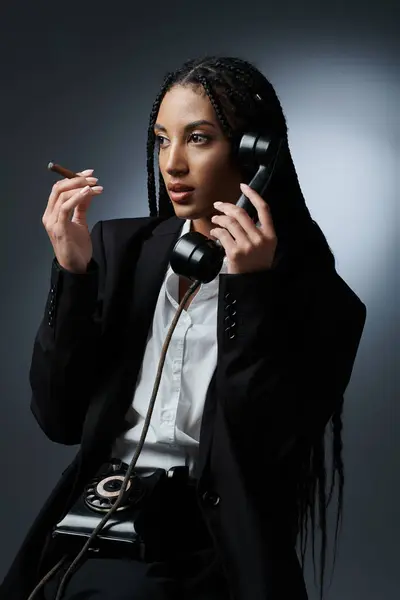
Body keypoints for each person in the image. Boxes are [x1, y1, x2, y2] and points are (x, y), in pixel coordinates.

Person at [0, 56, 366, 600]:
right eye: (161, 140)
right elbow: (58, 417)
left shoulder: (315, 296)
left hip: (206, 545)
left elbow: (259, 448)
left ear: (253, 152)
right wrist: (73, 275)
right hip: (98, 524)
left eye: (198, 138)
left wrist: (249, 293)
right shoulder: (121, 251)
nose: (172, 164)